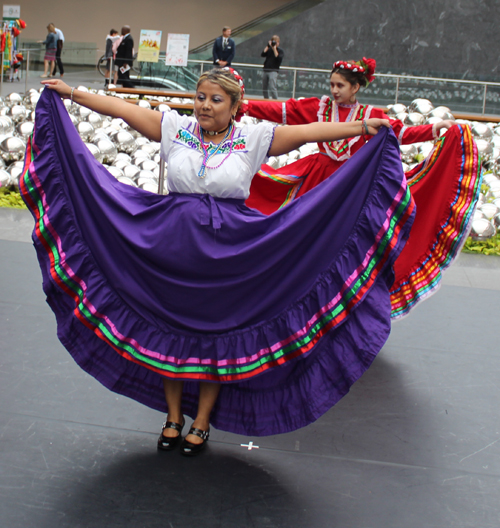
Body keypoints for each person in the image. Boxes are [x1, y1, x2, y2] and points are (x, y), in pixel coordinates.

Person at [29, 69, 408, 458]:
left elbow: (311, 132)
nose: (204, 106)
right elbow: (122, 108)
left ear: (234, 107)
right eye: (200, 97)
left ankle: (202, 421)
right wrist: (72, 92)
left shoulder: (254, 138)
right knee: (170, 330)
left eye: (215, 100)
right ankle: (173, 417)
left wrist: (363, 127)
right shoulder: (176, 129)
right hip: (170, 251)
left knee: (216, 336)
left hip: (229, 255)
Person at [240, 57, 481, 319]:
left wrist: (434, 129)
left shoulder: (370, 116)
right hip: (316, 180)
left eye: (340, 85)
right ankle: (287, 293)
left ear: (355, 87)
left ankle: (336, 302)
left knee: (343, 243)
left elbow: (400, 134)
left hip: (350, 184)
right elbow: (280, 111)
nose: (334, 90)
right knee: (299, 231)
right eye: (332, 84)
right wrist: (243, 106)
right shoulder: (318, 108)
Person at [261, 35, 284, 99]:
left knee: (272, 86)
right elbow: (262, 54)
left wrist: (274, 48)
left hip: (273, 71)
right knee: (264, 87)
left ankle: (275, 100)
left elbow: (278, 57)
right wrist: (268, 46)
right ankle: (266, 99)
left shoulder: (280, 51)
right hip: (266, 70)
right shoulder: (269, 49)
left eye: (276, 42)